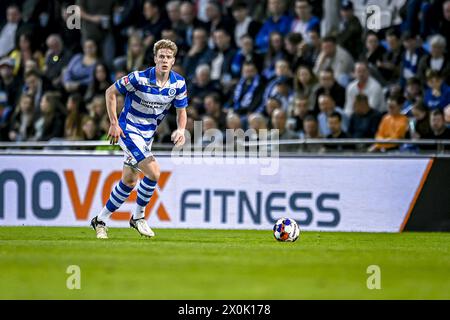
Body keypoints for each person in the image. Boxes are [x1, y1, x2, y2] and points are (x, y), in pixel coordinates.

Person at [90, 39, 188, 239]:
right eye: (161, 56)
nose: (165, 60)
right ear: (154, 58)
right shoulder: (138, 78)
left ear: (173, 61)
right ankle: (138, 217)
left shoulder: (178, 83)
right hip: (128, 130)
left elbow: (181, 111)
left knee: (129, 181)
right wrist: (114, 123)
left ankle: (100, 220)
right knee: (154, 172)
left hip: (147, 135)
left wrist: (181, 129)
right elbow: (110, 92)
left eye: (169, 57)